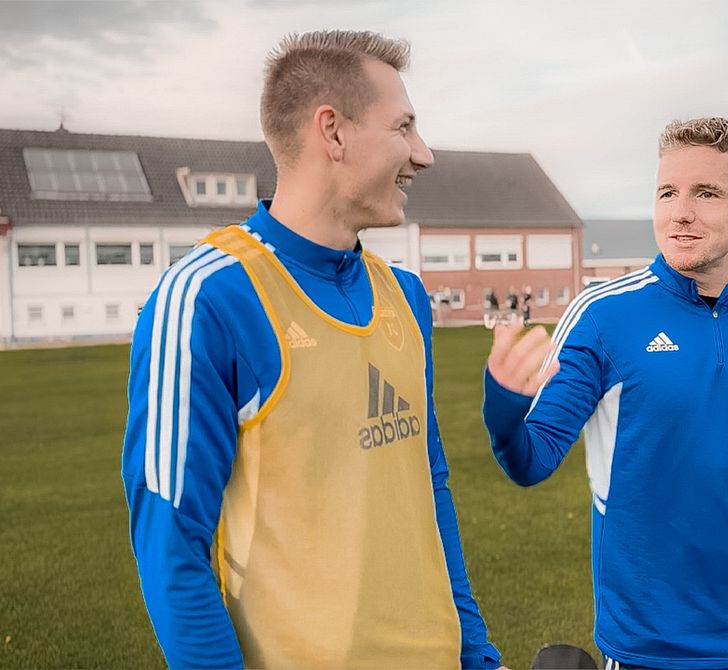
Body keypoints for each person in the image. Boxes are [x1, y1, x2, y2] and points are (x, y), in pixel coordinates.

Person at [122, 30, 501, 669]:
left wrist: (476, 654)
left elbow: (429, 486)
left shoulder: (404, 294)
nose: (424, 154)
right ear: (332, 131)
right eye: (404, 127)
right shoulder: (209, 297)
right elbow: (171, 546)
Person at [482, 117, 728, 669]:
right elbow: (530, 460)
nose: (681, 212)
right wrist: (505, 407)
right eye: (667, 192)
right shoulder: (603, 316)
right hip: (644, 651)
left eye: (706, 193)